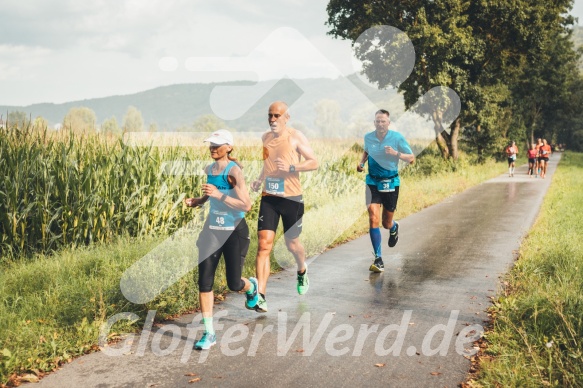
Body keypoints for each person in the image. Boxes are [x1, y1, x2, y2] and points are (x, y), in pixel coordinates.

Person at [184, 129, 258, 350]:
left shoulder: (234, 171)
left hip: (234, 230)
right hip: (212, 230)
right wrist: (199, 200)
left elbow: (246, 205)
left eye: (217, 145)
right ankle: (209, 333)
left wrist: (218, 195)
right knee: (204, 280)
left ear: (229, 147)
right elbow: (211, 192)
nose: (212, 148)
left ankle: (251, 286)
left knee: (234, 283)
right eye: (210, 144)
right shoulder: (209, 169)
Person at [250, 101, 318, 313]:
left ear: (286, 117)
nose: (272, 119)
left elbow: (313, 162)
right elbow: (267, 164)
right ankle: (260, 296)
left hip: (291, 198)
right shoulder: (265, 138)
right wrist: (260, 180)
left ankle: (301, 268)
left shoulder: (295, 136)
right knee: (264, 245)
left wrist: (291, 167)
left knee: (292, 244)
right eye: (270, 115)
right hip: (269, 197)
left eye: (276, 115)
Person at [357, 109, 415, 273]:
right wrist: (361, 163)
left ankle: (394, 227)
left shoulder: (397, 138)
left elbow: (411, 159)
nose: (380, 124)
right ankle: (378, 258)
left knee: (386, 222)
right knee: (372, 216)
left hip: (390, 182)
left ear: (388, 123)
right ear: (374, 123)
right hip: (372, 181)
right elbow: (367, 150)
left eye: (383, 121)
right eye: (377, 121)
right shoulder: (368, 137)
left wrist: (395, 153)